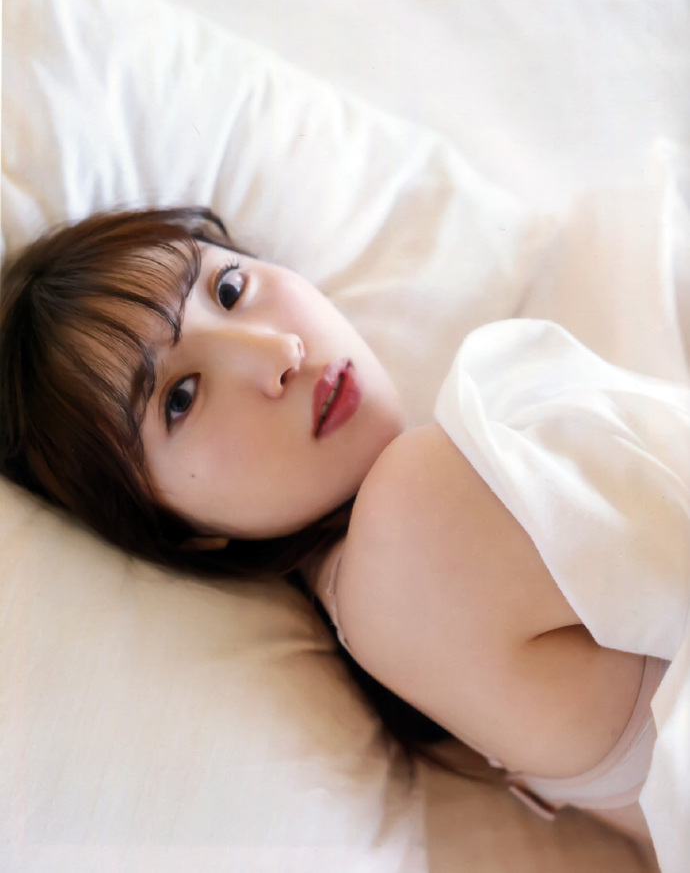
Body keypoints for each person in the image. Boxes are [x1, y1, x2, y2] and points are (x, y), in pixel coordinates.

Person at [0, 206, 674, 844]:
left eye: (229, 289)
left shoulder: (400, 573)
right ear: (176, 530)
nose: (278, 350)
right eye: (181, 397)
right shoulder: (417, 516)